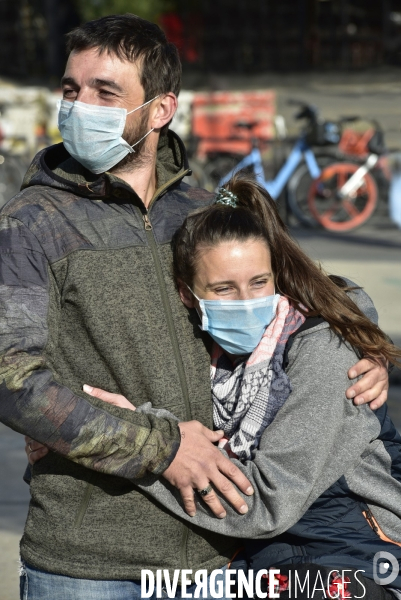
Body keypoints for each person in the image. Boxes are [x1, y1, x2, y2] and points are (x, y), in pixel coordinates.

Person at [0, 12, 387, 600]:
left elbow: (312, 290)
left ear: (160, 110)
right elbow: (11, 378)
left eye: (107, 92)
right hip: (89, 562)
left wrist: (361, 345)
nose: (81, 107)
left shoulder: (204, 211)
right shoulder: (29, 226)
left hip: (220, 556)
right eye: (72, 90)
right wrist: (161, 448)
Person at [48, 175, 400, 599]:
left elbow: (267, 502)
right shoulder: (211, 357)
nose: (246, 301)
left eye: (258, 283)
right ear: (187, 296)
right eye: (223, 289)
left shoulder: (325, 350)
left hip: (347, 555)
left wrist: (138, 446)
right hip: (258, 564)